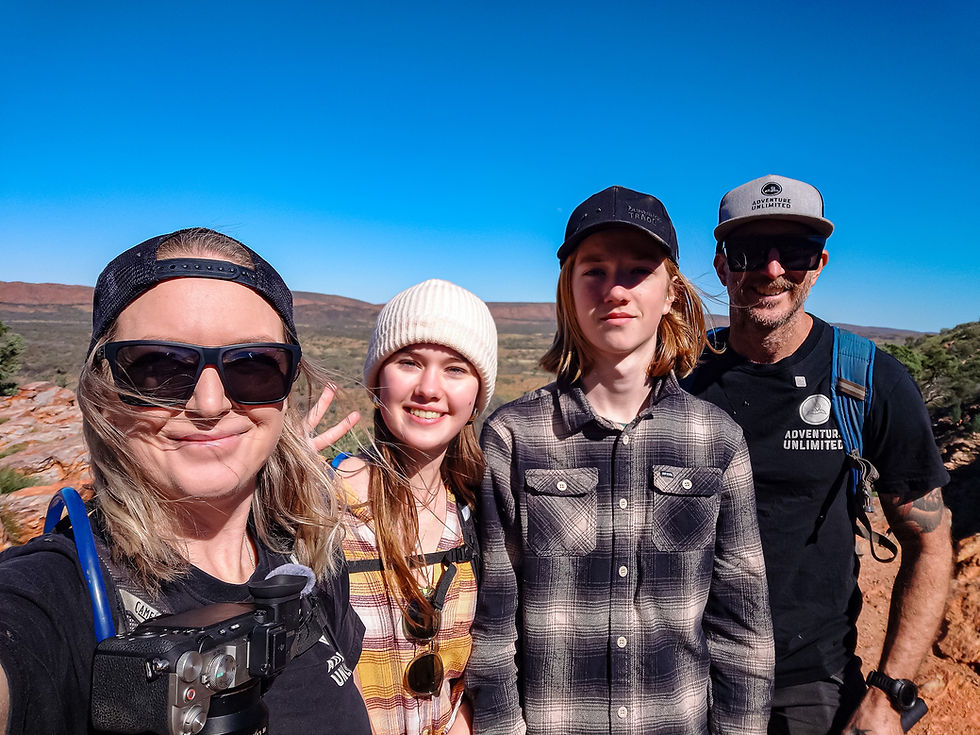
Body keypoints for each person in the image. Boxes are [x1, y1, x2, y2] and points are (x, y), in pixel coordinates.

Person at [0, 228, 371, 734]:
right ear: (104, 388)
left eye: (253, 366)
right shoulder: (61, 594)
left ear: (285, 390)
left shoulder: (307, 562)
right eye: (159, 367)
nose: (210, 405)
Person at [466, 186, 774, 735]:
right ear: (569, 290)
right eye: (595, 270)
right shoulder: (515, 437)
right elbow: (494, 626)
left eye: (637, 271)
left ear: (671, 293)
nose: (615, 289)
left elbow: (742, 627)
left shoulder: (716, 439)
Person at [683, 174, 953, 735]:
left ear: (820, 264)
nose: (773, 269)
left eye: (797, 251)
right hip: (681, 678)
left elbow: (929, 542)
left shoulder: (865, 379)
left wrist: (889, 696)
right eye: (752, 249)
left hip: (809, 685)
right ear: (721, 263)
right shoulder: (679, 378)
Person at [332, 279, 498, 735]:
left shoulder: (479, 513)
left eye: (455, 369)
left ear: (476, 398)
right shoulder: (320, 507)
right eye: (409, 363)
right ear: (377, 381)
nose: (429, 388)